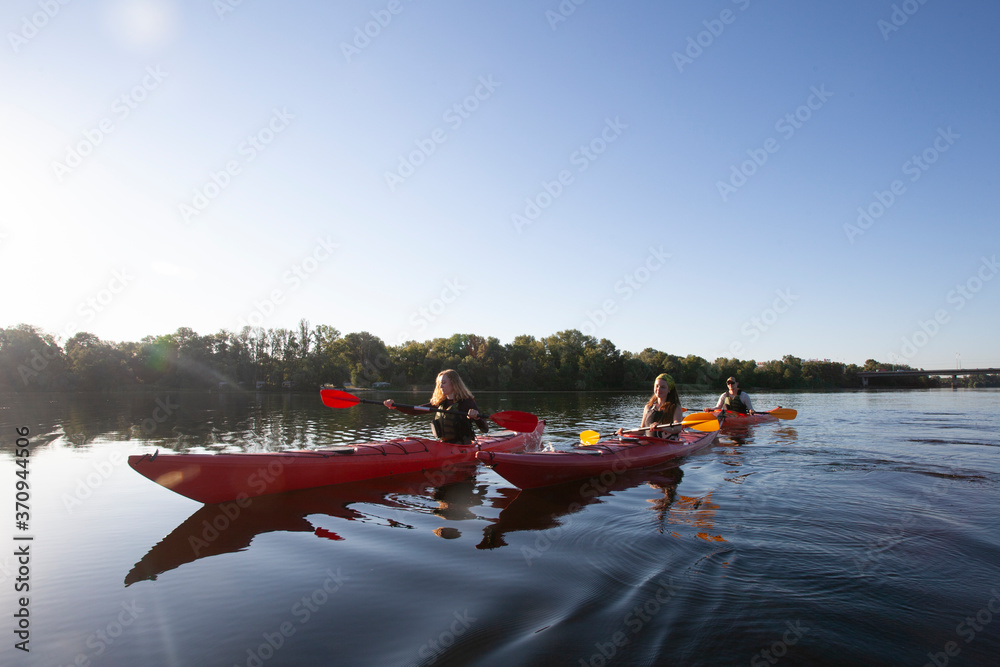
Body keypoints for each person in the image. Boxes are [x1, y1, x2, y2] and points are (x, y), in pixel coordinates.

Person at [383, 369, 488, 444]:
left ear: (454, 384)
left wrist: (476, 417)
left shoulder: (466, 402)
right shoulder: (440, 402)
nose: (440, 386)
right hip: (444, 444)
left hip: (463, 446)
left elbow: (485, 429)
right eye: (439, 383)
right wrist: (395, 406)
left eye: (444, 383)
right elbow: (415, 410)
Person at [618, 373, 684, 437]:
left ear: (669, 390)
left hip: (668, 444)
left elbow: (677, 428)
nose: (658, 389)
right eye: (657, 386)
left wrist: (661, 428)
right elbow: (642, 430)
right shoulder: (648, 407)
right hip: (650, 444)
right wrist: (625, 432)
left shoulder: (675, 407)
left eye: (663, 387)